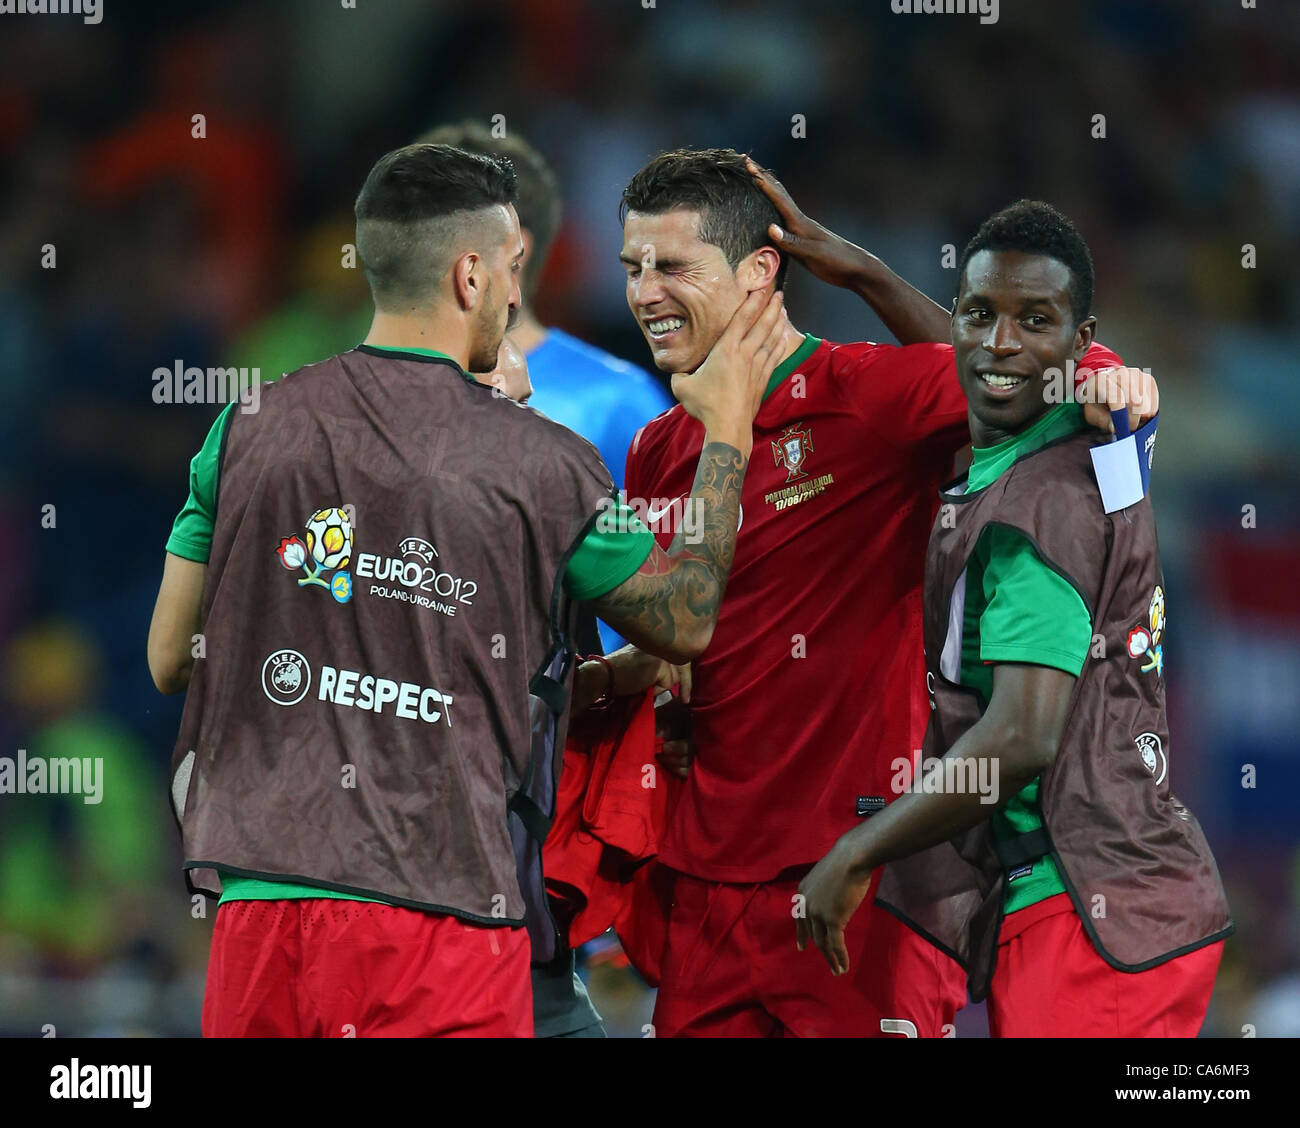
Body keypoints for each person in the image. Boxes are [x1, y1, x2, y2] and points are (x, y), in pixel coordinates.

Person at [146, 142, 787, 1037]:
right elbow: (685, 619)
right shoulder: (543, 462)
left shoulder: (245, 426)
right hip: (441, 912)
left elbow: (171, 658)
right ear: (472, 274)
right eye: (516, 273)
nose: (521, 300)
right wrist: (725, 431)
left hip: (260, 907)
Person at [616, 148, 1156, 1037]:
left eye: (673, 266)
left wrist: (865, 271)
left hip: (861, 871)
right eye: (632, 267)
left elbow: (1033, 362)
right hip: (707, 886)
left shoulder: (861, 394)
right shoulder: (659, 449)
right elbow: (692, 629)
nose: (644, 292)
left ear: (760, 272)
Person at [797, 200, 1230, 1037]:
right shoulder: (1072, 443)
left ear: (1083, 340)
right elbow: (991, 365)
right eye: (979, 314)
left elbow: (1021, 738)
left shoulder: (1038, 509)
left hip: (1084, 908)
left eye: (1037, 320)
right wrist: (866, 274)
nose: (1000, 342)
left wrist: (859, 850)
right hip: (1115, 896)